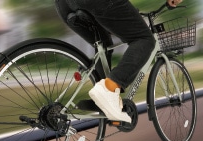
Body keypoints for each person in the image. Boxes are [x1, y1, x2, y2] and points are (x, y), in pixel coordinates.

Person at [55, 0, 183, 122]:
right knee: (145, 39)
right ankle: (108, 88)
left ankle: (101, 101)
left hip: (64, 5)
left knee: (103, 44)